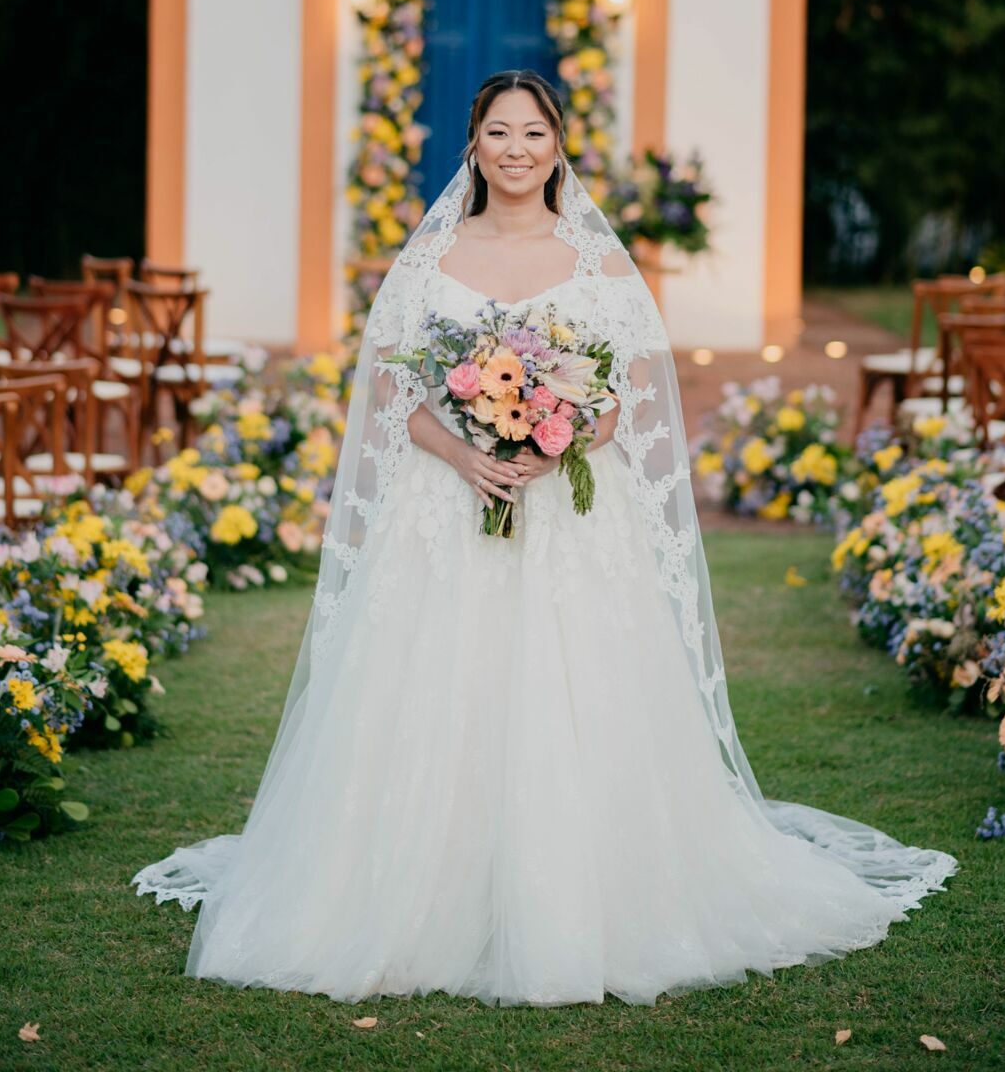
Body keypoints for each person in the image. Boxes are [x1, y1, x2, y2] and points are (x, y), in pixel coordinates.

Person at [132, 69, 956, 1006]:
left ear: (558, 145)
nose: (516, 150)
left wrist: (554, 434)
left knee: (574, 691)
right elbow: (395, 397)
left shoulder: (597, 261)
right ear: (472, 146)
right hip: (444, 509)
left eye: (533, 133)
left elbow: (633, 397)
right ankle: (417, 894)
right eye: (498, 133)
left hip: (571, 512)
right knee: (437, 687)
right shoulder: (431, 256)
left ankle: (582, 893)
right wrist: (466, 454)